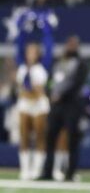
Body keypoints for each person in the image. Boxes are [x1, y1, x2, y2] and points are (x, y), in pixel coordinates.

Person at [40, 35, 88, 182]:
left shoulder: (81, 64)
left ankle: (70, 172)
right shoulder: (58, 62)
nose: (71, 47)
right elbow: (49, 81)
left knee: (72, 138)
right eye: (69, 44)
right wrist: (49, 94)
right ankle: (48, 171)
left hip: (72, 105)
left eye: (74, 44)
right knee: (50, 137)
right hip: (56, 106)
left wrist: (61, 95)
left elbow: (78, 83)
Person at [14, 14, 53, 180]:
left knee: (39, 136)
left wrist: (45, 27)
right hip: (25, 103)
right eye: (28, 51)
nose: (30, 53)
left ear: (38, 53)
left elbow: (49, 46)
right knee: (23, 136)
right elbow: (18, 45)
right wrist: (23, 26)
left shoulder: (42, 67)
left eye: (34, 51)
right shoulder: (22, 67)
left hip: (39, 105)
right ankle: (25, 169)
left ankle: (37, 169)